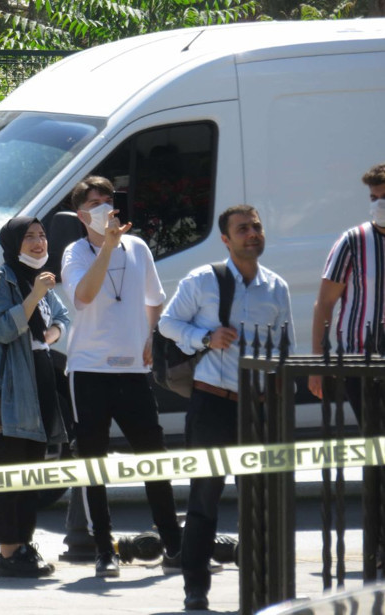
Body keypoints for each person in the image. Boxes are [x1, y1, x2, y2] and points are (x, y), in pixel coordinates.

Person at [159, 204, 294, 610]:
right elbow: (167, 323)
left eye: (256, 227)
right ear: (226, 239)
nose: (252, 234)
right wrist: (205, 337)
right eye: (243, 229)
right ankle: (195, 591)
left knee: (259, 504)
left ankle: (258, 590)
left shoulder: (277, 287)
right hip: (212, 403)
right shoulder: (204, 280)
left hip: (257, 408)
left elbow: (284, 348)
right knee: (204, 500)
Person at [60, 175, 183, 578]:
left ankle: (173, 541)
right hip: (89, 370)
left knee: (153, 457)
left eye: (109, 199)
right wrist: (107, 247)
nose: (106, 207)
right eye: (96, 202)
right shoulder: (75, 252)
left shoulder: (138, 247)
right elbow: (83, 297)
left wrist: (148, 336)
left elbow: (155, 300)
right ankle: (103, 548)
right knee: (93, 462)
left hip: (132, 369)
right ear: (82, 214)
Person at [0, 216, 69, 578]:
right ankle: (7, 553)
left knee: (33, 472)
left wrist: (54, 333)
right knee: (10, 472)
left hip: (42, 377)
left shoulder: (42, 279)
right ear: (14, 243)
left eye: (42, 236)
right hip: (15, 385)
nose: (38, 242)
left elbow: (61, 316)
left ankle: (25, 545)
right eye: (29, 236)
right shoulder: (0, 281)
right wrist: (33, 296)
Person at [309, 163, 385, 420]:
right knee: (375, 441)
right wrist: (319, 361)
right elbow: (325, 303)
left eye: (384, 197)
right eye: (374, 198)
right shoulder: (353, 241)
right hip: (359, 359)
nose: (379, 204)